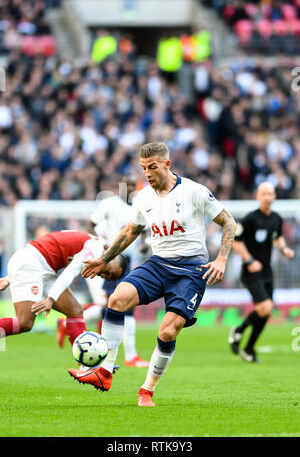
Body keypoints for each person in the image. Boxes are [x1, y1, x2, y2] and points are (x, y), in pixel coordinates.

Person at [68, 141, 237, 406]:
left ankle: (146, 390)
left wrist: (222, 259)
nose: (147, 173)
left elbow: (228, 221)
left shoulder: (195, 191)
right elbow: (129, 233)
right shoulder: (143, 197)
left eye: (152, 167)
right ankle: (105, 371)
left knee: (168, 331)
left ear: (167, 164)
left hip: (191, 271)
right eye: (143, 168)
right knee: (117, 299)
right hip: (158, 265)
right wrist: (104, 260)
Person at [58, 176, 150, 368]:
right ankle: (131, 356)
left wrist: (144, 245)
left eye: (134, 186)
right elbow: (91, 224)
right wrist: (102, 244)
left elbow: (143, 232)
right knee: (124, 304)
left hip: (129, 262)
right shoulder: (109, 203)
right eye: (128, 185)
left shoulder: (139, 206)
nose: (131, 188)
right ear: (121, 187)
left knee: (114, 305)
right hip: (111, 260)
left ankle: (69, 322)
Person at [0, 230, 127, 347]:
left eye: (108, 277)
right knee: (24, 323)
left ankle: (87, 368)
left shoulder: (97, 246)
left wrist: (9, 278)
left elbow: (48, 248)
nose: (103, 275)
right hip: (32, 265)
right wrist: (50, 299)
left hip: (42, 267)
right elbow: (70, 272)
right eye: (109, 271)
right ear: (113, 256)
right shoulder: (95, 248)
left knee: (75, 310)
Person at [228, 181, 295, 363]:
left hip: (267, 270)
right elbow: (237, 241)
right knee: (265, 308)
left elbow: (278, 238)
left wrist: (284, 249)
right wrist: (249, 260)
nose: (267, 197)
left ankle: (248, 349)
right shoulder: (250, 218)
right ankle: (239, 330)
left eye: (270, 194)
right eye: (263, 194)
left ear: (274, 196)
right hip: (251, 271)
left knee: (266, 311)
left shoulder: (276, 219)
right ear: (258, 196)